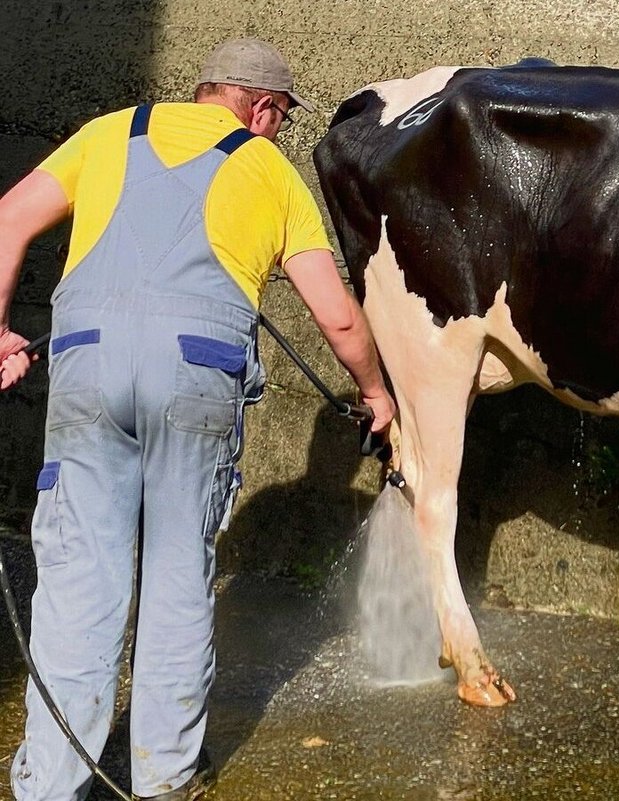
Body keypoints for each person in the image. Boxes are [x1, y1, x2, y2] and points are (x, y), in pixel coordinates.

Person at [0, 38, 395, 800]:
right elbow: (340, 320)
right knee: (179, 574)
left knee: (80, 575)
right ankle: (163, 774)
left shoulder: (106, 131)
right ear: (261, 107)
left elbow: (8, 220)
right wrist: (375, 393)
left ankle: (52, 783)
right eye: (278, 119)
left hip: (86, 365)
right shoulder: (268, 167)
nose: (274, 131)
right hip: (196, 377)